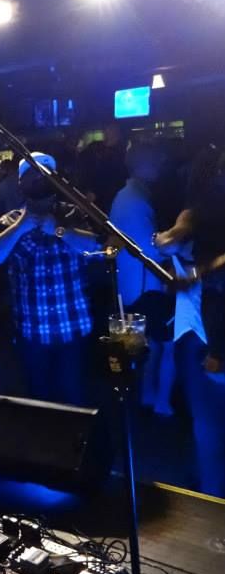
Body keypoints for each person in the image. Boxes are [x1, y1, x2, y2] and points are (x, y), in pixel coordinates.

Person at [0, 152, 98, 405]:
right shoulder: (10, 220)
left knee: (75, 402)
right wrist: (19, 228)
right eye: (32, 177)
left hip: (73, 329)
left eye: (45, 177)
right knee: (40, 404)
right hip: (33, 332)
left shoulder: (72, 213)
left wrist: (60, 230)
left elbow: (95, 247)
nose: (39, 182)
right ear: (21, 184)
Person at [155, 144, 225, 497]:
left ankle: (211, 493)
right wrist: (169, 239)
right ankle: (211, 496)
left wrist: (197, 273)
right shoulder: (200, 205)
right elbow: (180, 228)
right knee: (208, 425)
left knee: (209, 425)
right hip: (207, 327)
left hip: (211, 328)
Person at [110, 140, 175, 416]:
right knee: (166, 345)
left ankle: (148, 396)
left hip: (134, 285)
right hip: (147, 287)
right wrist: (174, 243)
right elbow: (150, 249)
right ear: (143, 164)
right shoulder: (135, 199)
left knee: (149, 346)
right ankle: (161, 401)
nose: (160, 165)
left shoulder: (127, 196)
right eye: (155, 160)